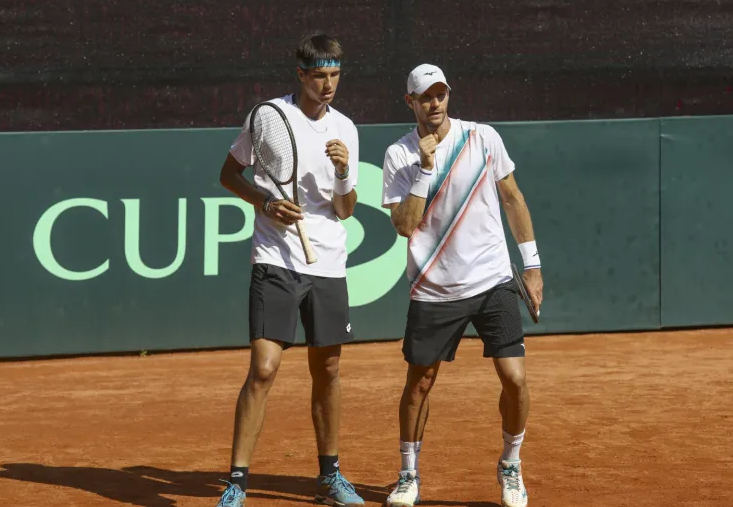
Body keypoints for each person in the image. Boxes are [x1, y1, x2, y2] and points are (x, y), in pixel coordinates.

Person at [380, 64, 544, 507]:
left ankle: (511, 464)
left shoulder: (483, 137)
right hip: (435, 288)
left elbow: (512, 198)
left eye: (440, 94)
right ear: (409, 102)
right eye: (424, 97)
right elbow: (403, 226)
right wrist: (424, 168)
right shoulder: (399, 155)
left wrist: (532, 266)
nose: (434, 104)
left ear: (448, 95)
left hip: (492, 279)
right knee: (420, 384)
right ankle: (408, 475)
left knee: (514, 378)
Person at [214, 33, 365, 506]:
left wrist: (343, 172)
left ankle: (330, 477)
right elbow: (228, 174)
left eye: (335, 75)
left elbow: (345, 210)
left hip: (328, 262)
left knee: (330, 369)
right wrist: (266, 201)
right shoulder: (269, 117)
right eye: (319, 75)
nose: (328, 85)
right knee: (264, 368)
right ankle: (236, 483)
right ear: (301, 74)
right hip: (275, 259)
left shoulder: (347, 129)